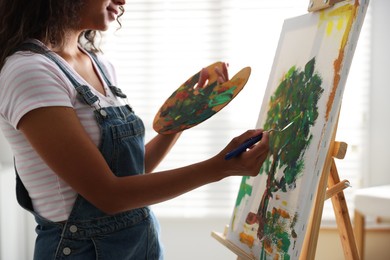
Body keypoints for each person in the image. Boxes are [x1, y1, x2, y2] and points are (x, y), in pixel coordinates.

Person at [0, 0, 270, 259]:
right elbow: (108, 195)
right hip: (82, 252)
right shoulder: (28, 71)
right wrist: (220, 167)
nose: (123, 1)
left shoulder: (99, 64)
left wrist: (182, 118)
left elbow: (132, 170)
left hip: (141, 244)